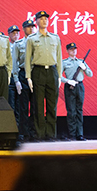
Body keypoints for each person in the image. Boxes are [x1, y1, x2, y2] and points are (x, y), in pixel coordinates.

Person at [25, 10, 63, 141]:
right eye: (41, 19)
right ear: (36, 21)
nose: (44, 21)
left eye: (46, 19)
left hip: (52, 71)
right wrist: (28, 77)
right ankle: (39, 134)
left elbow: (59, 57)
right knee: (38, 105)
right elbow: (27, 59)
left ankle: (51, 134)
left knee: (52, 105)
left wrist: (59, 75)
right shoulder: (32, 39)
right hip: (38, 71)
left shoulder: (55, 38)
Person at [61, 42, 93, 141]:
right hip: (70, 86)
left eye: (75, 49)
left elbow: (90, 74)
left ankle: (80, 134)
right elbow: (58, 76)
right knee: (71, 111)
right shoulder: (64, 62)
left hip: (79, 86)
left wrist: (85, 68)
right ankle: (72, 134)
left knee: (79, 110)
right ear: (67, 51)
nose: (73, 51)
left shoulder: (81, 62)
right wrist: (68, 81)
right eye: (71, 49)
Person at [13, 19, 37, 142]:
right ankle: (23, 132)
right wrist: (16, 79)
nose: (31, 29)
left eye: (32, 27)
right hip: (23, 74)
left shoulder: (38, 42)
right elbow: (14, 62)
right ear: (23, 29)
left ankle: (34, 132)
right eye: (28, 27)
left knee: (35, 106)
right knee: (23, 106)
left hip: (35, 73)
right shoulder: (19, 44)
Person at [7, 25, 21, 110]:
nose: (15, 35)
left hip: (20, 75)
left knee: (20, 103)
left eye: (17, 33)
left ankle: (19, 119)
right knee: (11, 102)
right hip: (11, 76)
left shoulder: (22, 45)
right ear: (9, 34)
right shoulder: (6, 47)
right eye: (13, 33)